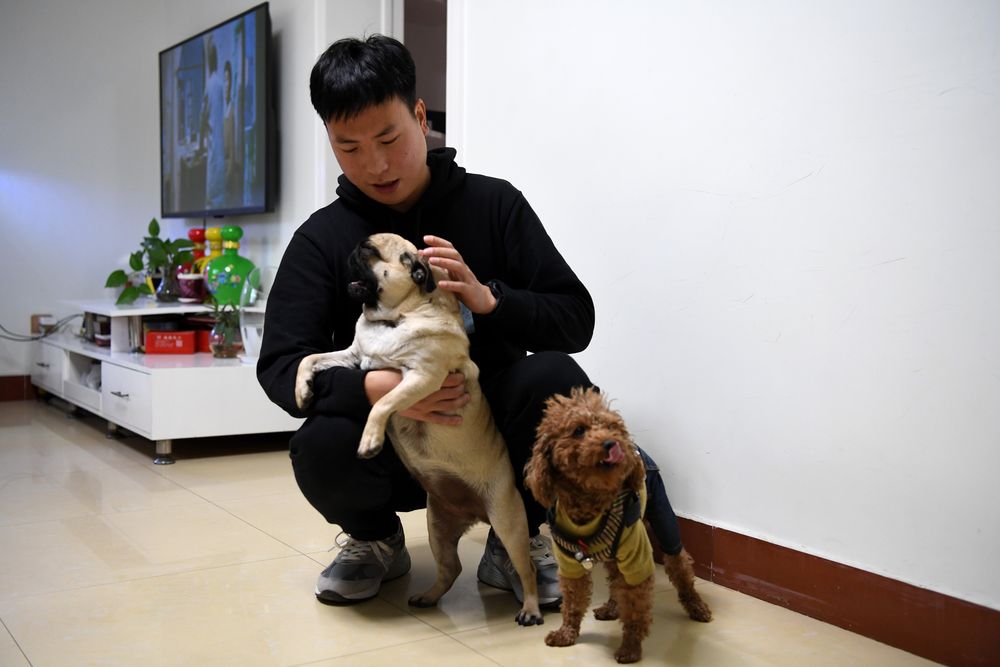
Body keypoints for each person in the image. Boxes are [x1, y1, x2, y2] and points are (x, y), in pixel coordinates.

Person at [257, 35, 688, 609]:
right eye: (349, 147)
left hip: (491, 442)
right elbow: (280, 367)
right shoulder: (321, 239)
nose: (375, 164)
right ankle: (374, 538)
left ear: (420, 117)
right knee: (318, 443)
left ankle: (516, 537)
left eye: (389, 139)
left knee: (555, 377)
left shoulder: (495, 204)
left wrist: (490, 301)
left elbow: (575, 321)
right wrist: (378, 388)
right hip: (393, 447)